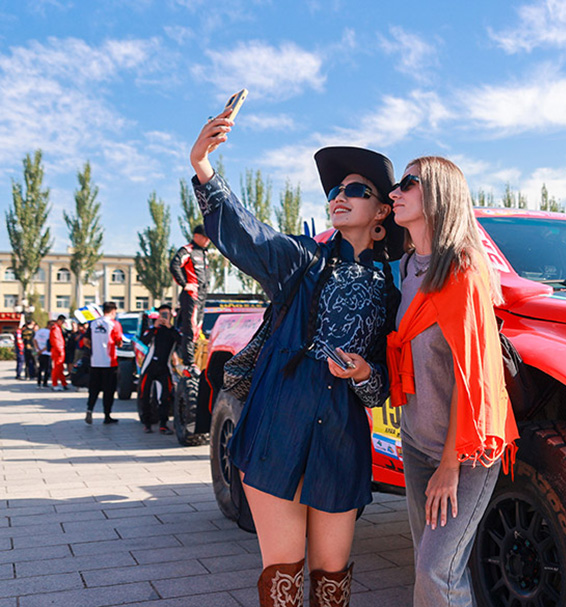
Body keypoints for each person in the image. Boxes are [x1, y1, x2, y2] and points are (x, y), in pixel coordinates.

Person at [191, 111, 403, 607]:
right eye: (334, 191)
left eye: (356, 190)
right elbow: (249, 236)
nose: (339, 196)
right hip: (279, 426)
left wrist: (366, 372)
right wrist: (203, 166)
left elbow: (382, 389)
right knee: (283, 580)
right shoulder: (301, 260)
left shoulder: (392, 291)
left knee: (333, 584)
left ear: (381, 215)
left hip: (341, 440)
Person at [387, 156, 518, 607]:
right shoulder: (408, 270)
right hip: (418, 439)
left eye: (407, 183)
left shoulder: (462, 269)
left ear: (439, 193)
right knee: (430, 568)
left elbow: (473, 376)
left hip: (465, 451)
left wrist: (449, 465)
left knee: (436, 571)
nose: (394, 192)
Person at [170, 224, 210, 374]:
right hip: (191, 296)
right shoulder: (187, 250)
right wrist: (184, 284)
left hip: (202, 296)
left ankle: (195, 359)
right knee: (191, 327)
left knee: (198, 327)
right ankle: (189, 362)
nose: (207, 241)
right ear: (196, 236)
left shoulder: (204, 253)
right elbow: (174, 265)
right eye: (205, 237)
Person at [138, 304, 179, 434]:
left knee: (165, 396)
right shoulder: (153, 329)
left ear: (171, 316)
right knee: (145, 395)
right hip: (149, 367)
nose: (163, 317)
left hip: (164, 367)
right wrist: (154, 327)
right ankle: (147, 424)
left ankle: (163, 424)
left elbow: (181, 340)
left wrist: (170, 327)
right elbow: (143, 341)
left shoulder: (173, 331)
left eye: (166, 315)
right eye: (162, 315)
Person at [85, 302, 124, 425]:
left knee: (94, 389)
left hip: (95, 362)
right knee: (109, 390)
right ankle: (107, 416)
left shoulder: (93, 323)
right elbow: (119, 342)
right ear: (113, 311)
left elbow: (86, 340)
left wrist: (94, 347)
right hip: (109, 363)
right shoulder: (114, 324)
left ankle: (89, 409)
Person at [49, 315, 68, 391]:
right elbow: (56, 340)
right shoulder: (55, 329)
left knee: (60, 368)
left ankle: (63, 383)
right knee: (57, 368)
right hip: (58, 351)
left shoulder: (58, 328)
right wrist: (60, 350)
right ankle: (55, 384)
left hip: (59, 350)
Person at [34, 321, 52, 388]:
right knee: (47, 368)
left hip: (40, 353)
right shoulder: (50, 332)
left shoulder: (39, 331)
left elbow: (35, 340)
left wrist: (38, 350)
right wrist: (42, 350)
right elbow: (49, 344)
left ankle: (39, 383)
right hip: (47, 353)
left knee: (40, 368)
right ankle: (45, 383)